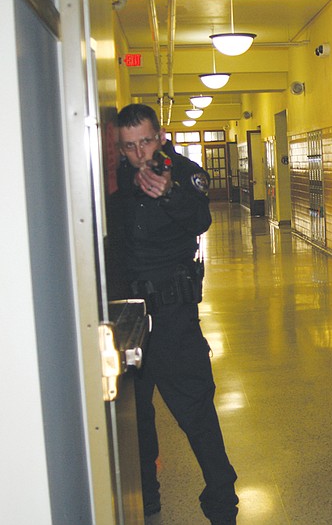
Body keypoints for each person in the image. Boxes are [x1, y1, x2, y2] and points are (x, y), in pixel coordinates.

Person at [112, 104, 239, 525]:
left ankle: (222, 502)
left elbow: (200, 219)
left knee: (196, 412)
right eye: (129, 147)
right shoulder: (116, 179)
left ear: (161, 135)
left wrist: (168, 192)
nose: (139, 154)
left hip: (172, 318)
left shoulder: (182, 174)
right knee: (136, 417)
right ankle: (146, 497)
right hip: (128, 318)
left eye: (145, 141)